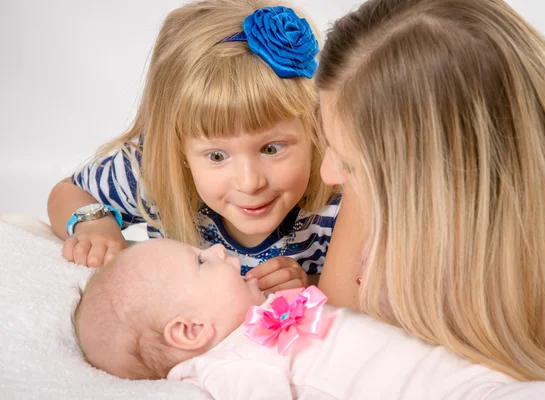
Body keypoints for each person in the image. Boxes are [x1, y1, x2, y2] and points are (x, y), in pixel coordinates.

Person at [315, 0, 545, 397]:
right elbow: (335, 332)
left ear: (446, 177)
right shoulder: (382, 167)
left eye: (348, 163)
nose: (328, 173)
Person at [46, 0, 340, 294]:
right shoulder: (153, 171)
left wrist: (312, 284)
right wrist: (94, 224)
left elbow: (365, 291)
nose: (250, 182)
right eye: (216, 155)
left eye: (271, 149)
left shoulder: (339, 199)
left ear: (315, 127)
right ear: (178, 148)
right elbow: (68, 192)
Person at [72, 238, 545, 399]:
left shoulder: (257, 318)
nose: (219, 251)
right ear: (190, 331)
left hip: (457, 373)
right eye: (202, 262)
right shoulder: (230, 365)